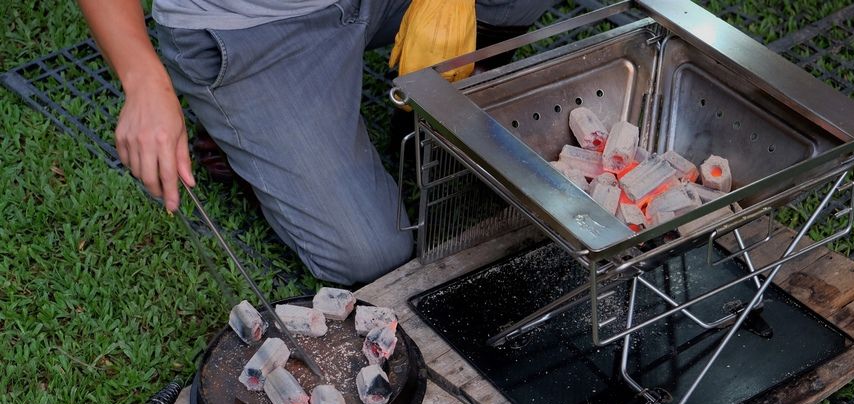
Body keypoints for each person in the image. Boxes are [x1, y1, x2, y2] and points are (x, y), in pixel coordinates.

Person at [76, 0, 556, 285]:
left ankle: (437, 101)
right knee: (369, 254)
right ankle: (238, 130)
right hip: (253, 32)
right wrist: (143, 82)